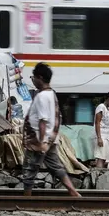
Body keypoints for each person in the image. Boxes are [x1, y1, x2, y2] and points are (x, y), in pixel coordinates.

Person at [21, 63, 81, 198]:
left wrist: (42, 142)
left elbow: (42, 121)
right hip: (50, 139)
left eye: (33, 77)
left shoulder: (42, 96)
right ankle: (73, 191)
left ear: (40, 78)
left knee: (29, 169)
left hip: (39, 140)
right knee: (56, 167)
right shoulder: (51, 94)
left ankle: (26, 198)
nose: (33, 80)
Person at [94, 91, 109, 168]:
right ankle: (98, 176)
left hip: (107, 136)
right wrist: (99, 138)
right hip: (101, 135)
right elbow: (97, 123)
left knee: (106, 159)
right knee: (101, 158)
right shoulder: (101, 107)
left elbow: (108, 126)